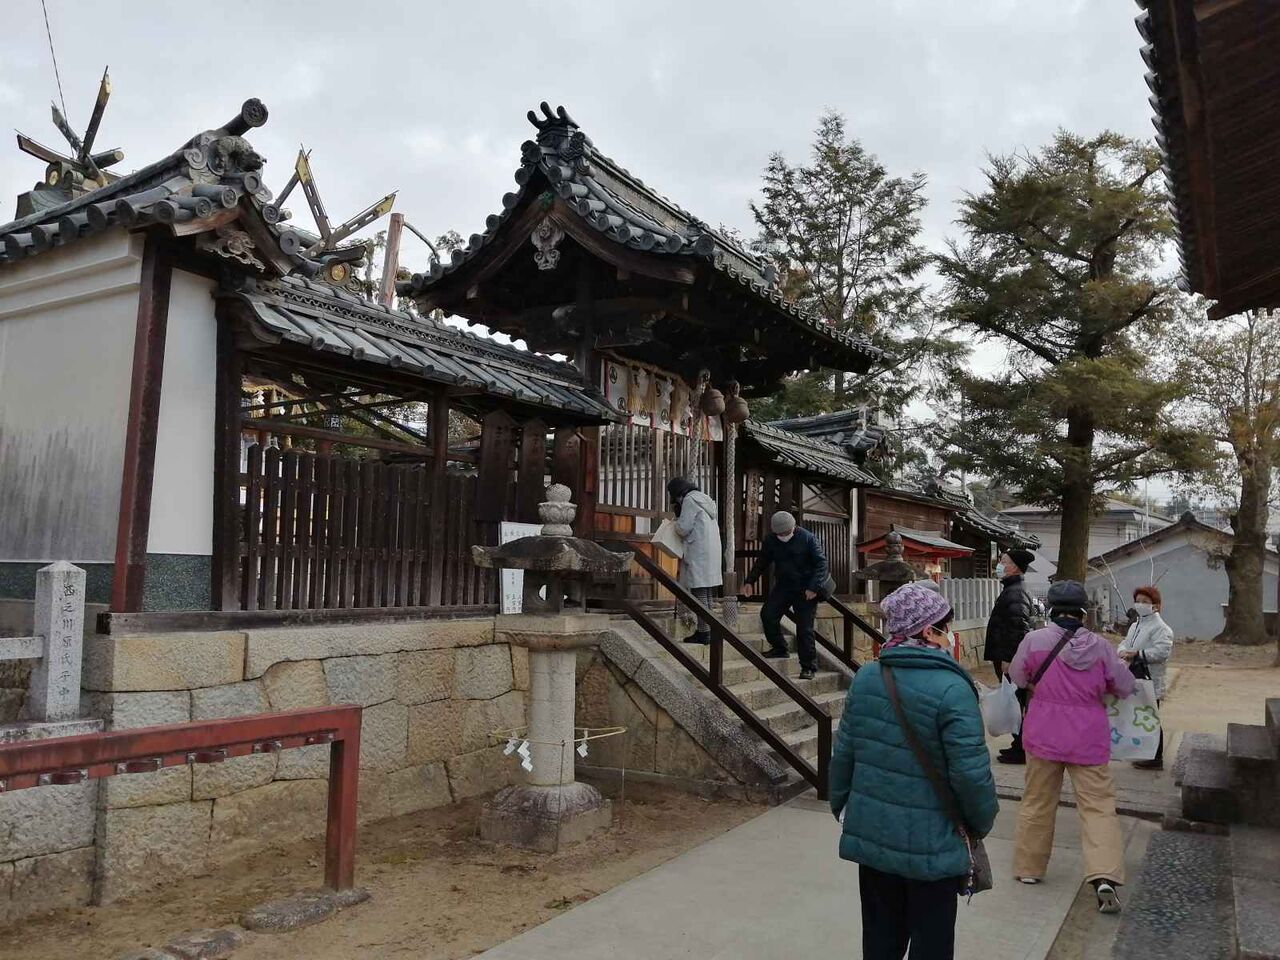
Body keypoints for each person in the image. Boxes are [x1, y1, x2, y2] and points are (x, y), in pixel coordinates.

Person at [830, 582, 999, 960]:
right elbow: (971, 775)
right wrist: (979, 822)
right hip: (933, 844)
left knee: (880, 940)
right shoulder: (953, 688)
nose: (949, 634)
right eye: (944, 626)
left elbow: (845, 753)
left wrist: (842, 805)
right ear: (928, 630)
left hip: (875, 836)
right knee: (932, 944)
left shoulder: (868, 677)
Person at [1009, 579, 1134, 914]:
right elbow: (1124, 685)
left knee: (1037, 802)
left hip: (1043, 733)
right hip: (1088, 738)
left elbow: (1018, 677)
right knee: (1098, 808)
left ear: (1050, 610)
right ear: (1083, 612)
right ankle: (1105, 875)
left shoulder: (1034, 640)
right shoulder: (1102, 647)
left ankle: (1030, 868)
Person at [744, 510, 828, 680]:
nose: (783, 536)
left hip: (806, 589)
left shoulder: (808, 538)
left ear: (793, 527)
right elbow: (762, 562)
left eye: (786, 533)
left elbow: (821, 564)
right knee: (768, 614)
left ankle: (808, 667)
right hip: (783, 586)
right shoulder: (771, 540)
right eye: (779, 534)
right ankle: (779, 648)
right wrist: (749, 581)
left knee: (804, 628)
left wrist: (813, 587)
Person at [984, 548, 1037, 764]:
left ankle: (1022, 748)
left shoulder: (1015, 592)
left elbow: (1018, 628)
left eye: (1003, 561)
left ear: (1014, 567)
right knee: (1014, 702)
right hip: (1006, 656)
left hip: (1010, 659)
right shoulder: (1012, 589)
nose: (999, 564)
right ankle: (1018, 744)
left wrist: (1009, 658)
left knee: (1016, 703)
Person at [1117, 585, 1173, 770]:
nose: (1140, 604)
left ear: (1155, 605)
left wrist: (1137, 654)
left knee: (1150, 718)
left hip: (1150, 678)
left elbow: (1162, 652)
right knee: (1139, 716)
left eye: (1145, 601)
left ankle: (1155, 758)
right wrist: (1123, 651)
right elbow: (1125, 643)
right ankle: (1146, 753)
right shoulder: (1136, 625)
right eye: (1138, 601)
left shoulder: (1161, 628)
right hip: (1134, 676)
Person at [667, 477, 723, 645]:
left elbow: (683, 528)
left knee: (700, 593)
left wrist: (674, 523)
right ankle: (709, 629)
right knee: (707, 593)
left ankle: (704, 632)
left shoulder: (690, 500)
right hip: (711, 551)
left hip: (699, 552)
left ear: (678, 494)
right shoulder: (705, 499)